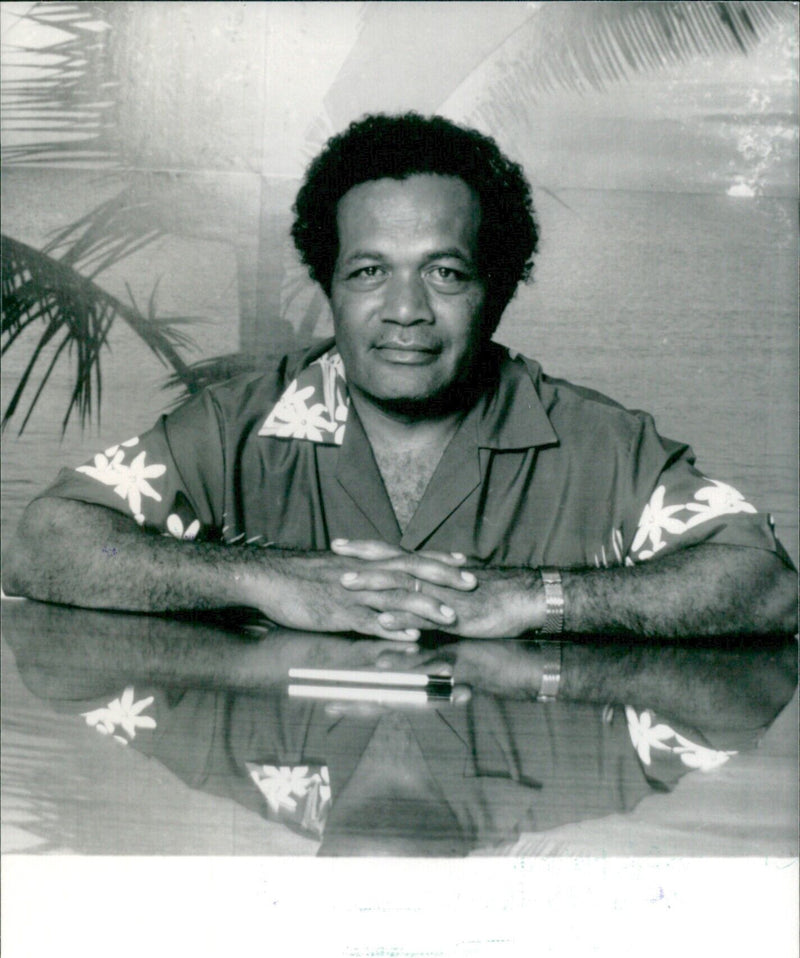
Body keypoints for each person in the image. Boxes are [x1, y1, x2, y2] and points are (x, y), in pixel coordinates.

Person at [3, 113, 796, 640]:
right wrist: (269, 579)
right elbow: (45, 540)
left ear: (498, 286)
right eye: (370, 271)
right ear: (330, 287)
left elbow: (765, 582)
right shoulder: (237, 426)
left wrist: (533, 598)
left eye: (445, 272)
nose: (406, 310)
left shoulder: (597, 444)